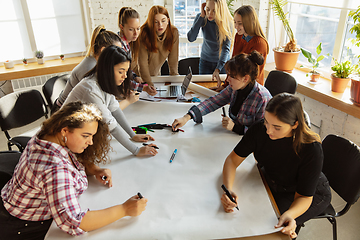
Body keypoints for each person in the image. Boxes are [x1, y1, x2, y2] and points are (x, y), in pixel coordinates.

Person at [0, 102, 148, 239]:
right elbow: (74, 222)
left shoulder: (49, 134)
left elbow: (71, 158)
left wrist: (95, 169)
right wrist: (124, 209)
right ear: (65, 130)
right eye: (86, 136)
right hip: (23, 224)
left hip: (13, 198)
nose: (90, 142)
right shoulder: (54, 169)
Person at [221, 93, 331, 239]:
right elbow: (232, 161)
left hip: (309, 192)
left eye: (277, 127)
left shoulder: (311, 149)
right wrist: (228, 189)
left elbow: (304, 196)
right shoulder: (259, 129)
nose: (268, 130)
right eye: (266, 122)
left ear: (295, 124)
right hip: (275, 180)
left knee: (272, 227)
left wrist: (291, 214)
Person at [64, 45, 158, 157]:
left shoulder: (104, 81)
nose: (124, 76)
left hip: (78, 135)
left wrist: (132, 135)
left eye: (126, 71)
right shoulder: (90, 90)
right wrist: (136, 150)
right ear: (107, 69)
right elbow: (111, 125)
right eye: (120, 71)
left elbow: (115, 109)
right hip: (67, 140)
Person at [54, 25, 152, 114]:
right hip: (63, 113)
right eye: (115, 51)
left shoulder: (100, 63)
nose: (119, 54)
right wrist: (128, 101)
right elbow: (106, 111)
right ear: (104, 50)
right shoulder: (90, 70)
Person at [172, 51, 272, 135]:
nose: (227, 79)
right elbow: (213, 102)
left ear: (245, 78)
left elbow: (262, 132)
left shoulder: (262, 98)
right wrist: (186, 117)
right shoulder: (234, 88)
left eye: (232, 76)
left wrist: (235, 128)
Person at [214, 5, 269, 91]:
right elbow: (233, 65)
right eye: (235, 22)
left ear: (249, 23)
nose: (236, 26)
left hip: (250, 90)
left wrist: (230, 89)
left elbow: (253, 75)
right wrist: (225, 86)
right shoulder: (238, 36)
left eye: (240, 23)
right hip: (236, 86)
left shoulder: (260, 43)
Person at [187, 0, 233, 89]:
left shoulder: (228, 22)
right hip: (205, 62)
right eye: (207, 9)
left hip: (222, 64)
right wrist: (201, 16)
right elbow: (191, 38)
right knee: (204, 89)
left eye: (214, 11)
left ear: (220, 10)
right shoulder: (202, 18)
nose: (210, 14)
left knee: (222, 91)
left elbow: (226, 48)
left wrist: (218, 69)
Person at [118, 7, 157, 95]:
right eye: (131, 29)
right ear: (122, 27)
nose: (136, 33)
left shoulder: (126, 43)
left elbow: (126, 69)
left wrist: (134, 77)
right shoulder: (119, 47)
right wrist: (144, 88)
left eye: (138, 28)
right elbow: (121, 80)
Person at [138, 5, 179, 86]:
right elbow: (142, 64)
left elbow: (173, 60)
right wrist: (148, 83)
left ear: (168, 20)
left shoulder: (173, 32)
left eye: (163, 21)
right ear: (151, 23)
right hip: (139, 76)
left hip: (155, 75)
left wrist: (175, 82)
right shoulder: (143, 33)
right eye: (156, 22)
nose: (160, 25)